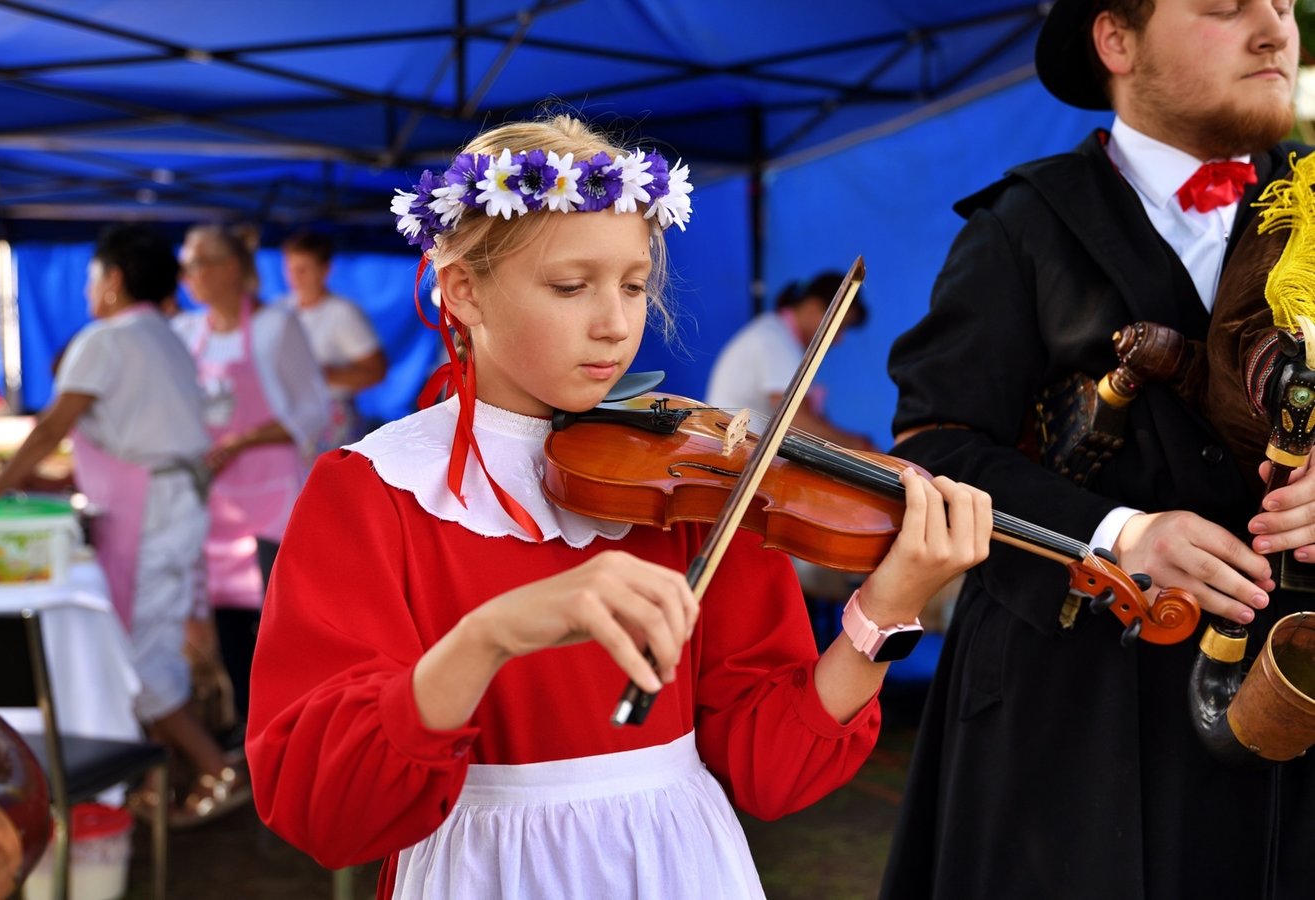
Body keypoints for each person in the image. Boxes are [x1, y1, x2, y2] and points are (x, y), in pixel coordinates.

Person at [244, 115, 994, 899]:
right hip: (482, 871)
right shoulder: (374, 488)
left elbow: (771, 769)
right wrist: (488, 637)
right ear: (462, 290)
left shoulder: (691, 485)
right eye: (571, 287)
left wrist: (884, 613)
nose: (615, 324)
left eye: (634, 285)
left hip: (678, 865)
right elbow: (321, 808)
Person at [881, 2, 1315, 898]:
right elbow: (935, 448)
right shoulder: (1018, 226)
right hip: (1075, 730)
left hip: (1297, 711)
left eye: (1281, 1)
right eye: (1224, 4)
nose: (1274, 29)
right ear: (1116, 39)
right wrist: (1117, 534)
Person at [0, 224, 247, 824]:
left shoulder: (107, 338)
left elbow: (50, 428)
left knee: (135, 655)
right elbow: (132, 435)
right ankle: (154, 778)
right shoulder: (166, 336)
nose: (86, 291)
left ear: (113, 280)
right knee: (151, 645)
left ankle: (213, 770)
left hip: (152, 515)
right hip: (169, 506)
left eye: (91, 279)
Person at [174, 224, 329, 735]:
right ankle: (248, 730)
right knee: (228, 622)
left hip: (271, 502)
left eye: (198, 263)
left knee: (277, 623)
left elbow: (312, 410)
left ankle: (289, 729)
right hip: (214, 502)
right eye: (186, 264)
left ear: (231, 269)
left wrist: (242, 441)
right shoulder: (188, 332)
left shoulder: (275, 327)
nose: (189, 275)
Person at [706, 272, 877, 451]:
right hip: (729, 455)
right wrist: (860, 447)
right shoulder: (776, 340)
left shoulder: (778, 333)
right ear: (813, 306)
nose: (839, 339)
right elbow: (794, 424)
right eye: (840, 327)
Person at [278, 229, 388, 450]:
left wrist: (322, 374)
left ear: (325, 270)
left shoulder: (343, 313)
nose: (296, 277)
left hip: (330, 419)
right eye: (291, 269)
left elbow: (376, 370)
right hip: (288, 416)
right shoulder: (280, 310)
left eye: (303, 270)